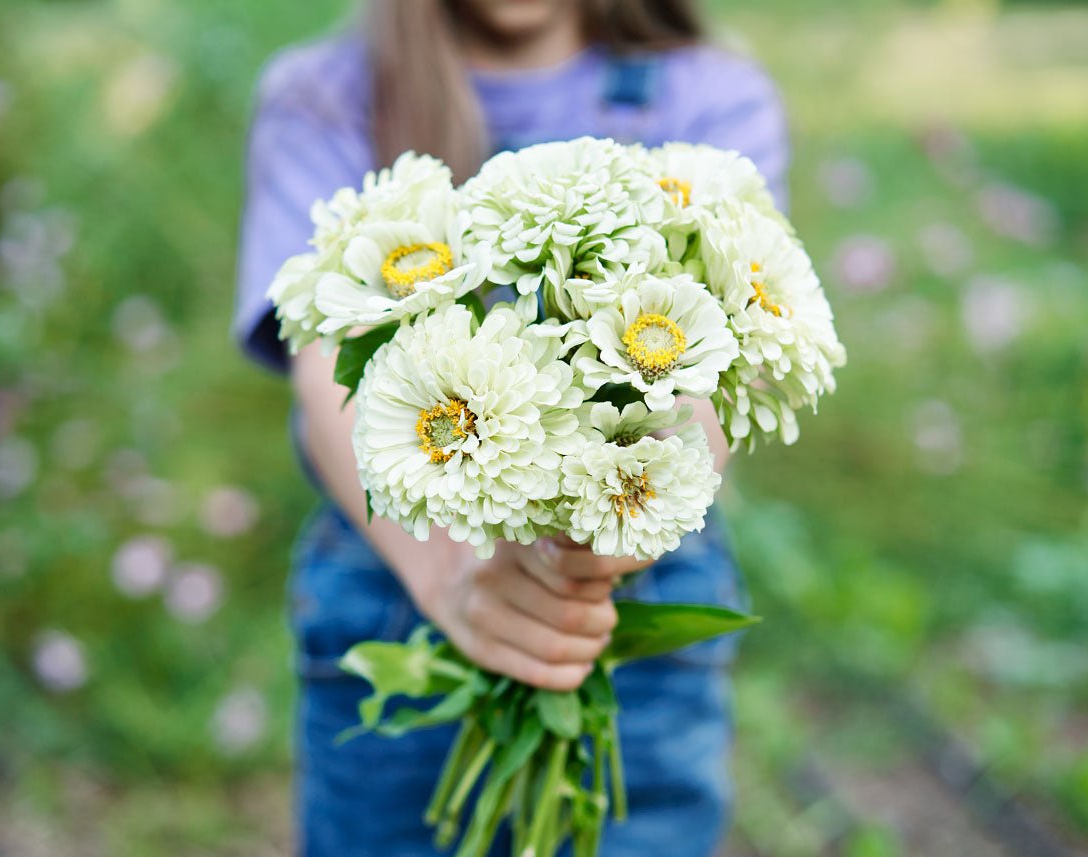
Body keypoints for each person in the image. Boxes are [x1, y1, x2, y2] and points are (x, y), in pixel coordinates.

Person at [234, 1, 788, 854]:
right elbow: (326, 370)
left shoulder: (712, 95)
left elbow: (718, 375)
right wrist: (451, 575)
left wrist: (591, 552)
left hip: (625, 594)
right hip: (393, 574)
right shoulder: (326, 95)